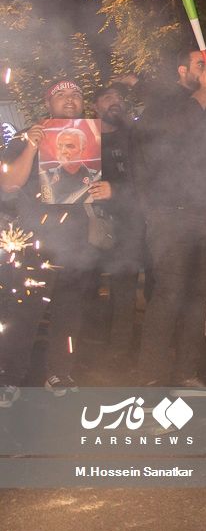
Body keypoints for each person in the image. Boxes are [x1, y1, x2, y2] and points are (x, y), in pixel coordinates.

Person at [134, 50, 206, 396]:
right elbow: (175, 128)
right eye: (201, 66)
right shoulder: (165, 101)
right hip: (170, 211)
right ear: (183, 70)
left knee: (197, 295)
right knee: (169, 292)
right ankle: (149, 379)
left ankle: (186, 374)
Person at [0, 79, 106, 400]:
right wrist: (32, 145)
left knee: (69, 309)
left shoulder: (92, 140)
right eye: (61, 94)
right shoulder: (24, 139)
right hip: (34, 240)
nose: (70, 99)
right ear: (48, 103)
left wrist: (110, 192)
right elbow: (8, 184)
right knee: (25, 311)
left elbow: (112, 187)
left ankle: (59, 373)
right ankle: (9, 378)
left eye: (76, 93)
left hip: (76, 239)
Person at [93, 81, 145, 356]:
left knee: (126, 284)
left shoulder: (134, 136)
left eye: (119, 97)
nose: (115, 101)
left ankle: (120, 349)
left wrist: (117, 190)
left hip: (133, 221)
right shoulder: (85, 138)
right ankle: (91, 344)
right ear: (95, 106)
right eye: (107, 97)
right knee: (89, 283)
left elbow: (148, 177)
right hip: (94, 223)